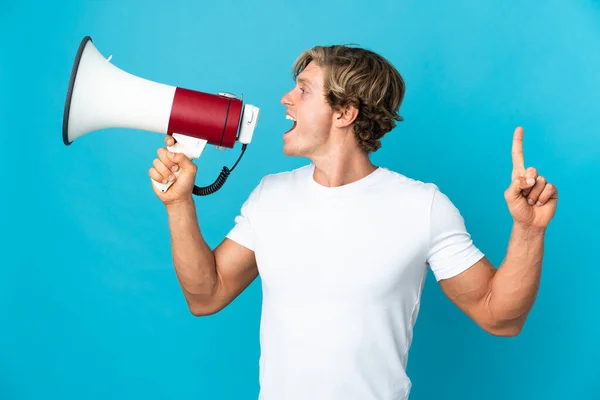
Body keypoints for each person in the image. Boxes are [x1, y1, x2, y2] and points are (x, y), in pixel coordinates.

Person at [147, 45, 558, 400]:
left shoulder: (422, 206)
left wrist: (529, 230)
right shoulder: (269, 195)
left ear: (344, 112)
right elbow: (206, 296)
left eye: (303, 90)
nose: (285, 99)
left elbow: (500, 317)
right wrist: (179, 203)